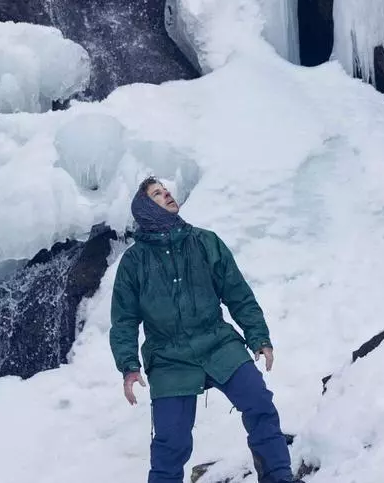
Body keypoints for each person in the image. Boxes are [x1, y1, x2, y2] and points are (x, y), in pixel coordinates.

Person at [110, 177, 302, 483]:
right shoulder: (133, 262)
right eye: (158, 194)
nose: (167, 194)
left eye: (166, 191)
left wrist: (258, 336)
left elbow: (238, 294)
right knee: (171, 442)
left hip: (218, 344)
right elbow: (124, 320)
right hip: (168, 358)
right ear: (146, 207)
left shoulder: (205, 242)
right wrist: (129, 366)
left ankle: (279, 477)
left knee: (259, 404)